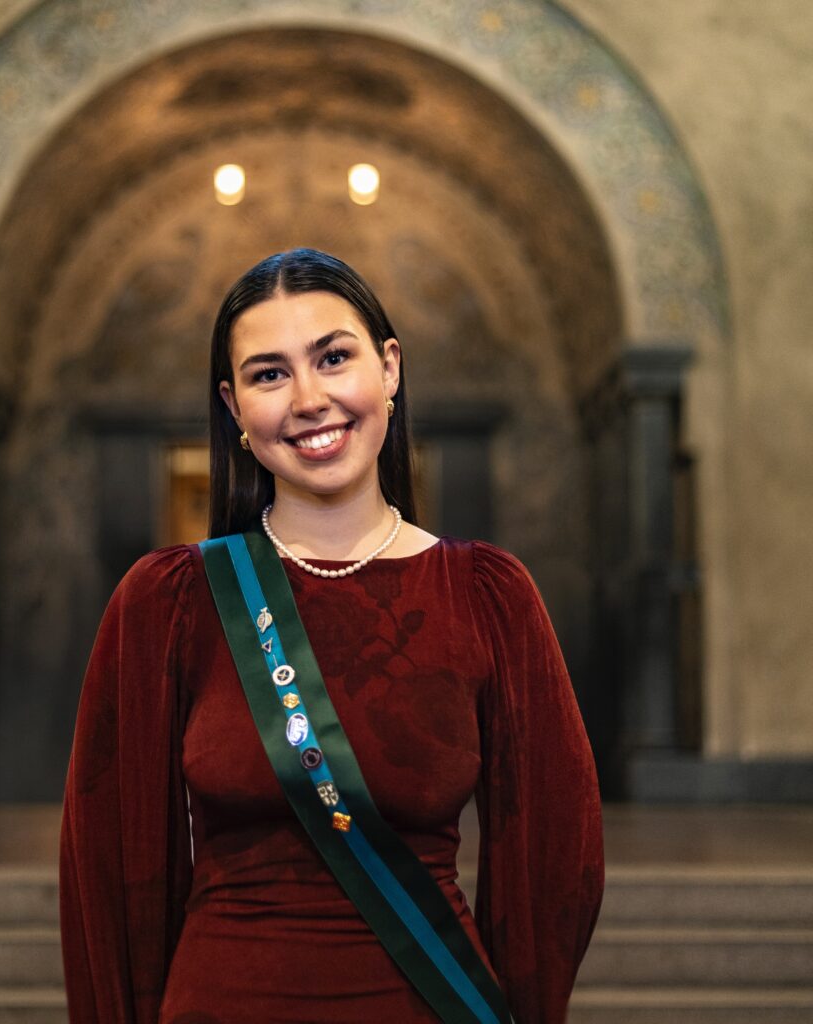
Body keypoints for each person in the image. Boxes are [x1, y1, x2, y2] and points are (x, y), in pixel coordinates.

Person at [59, 248, 604, 1024]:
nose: (309, 399)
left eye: (334, 358)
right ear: (234, 407)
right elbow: (113, 871)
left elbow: (553, 855)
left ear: (389, 368)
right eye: (269, 374)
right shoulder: (169, 603)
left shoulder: (488, 595)